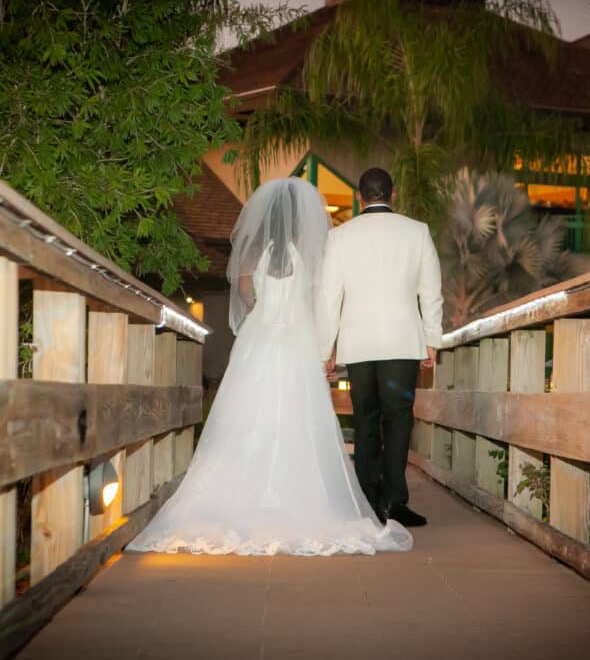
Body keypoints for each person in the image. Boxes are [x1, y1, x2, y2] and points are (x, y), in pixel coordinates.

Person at [127, 177, 412, 556]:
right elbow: (319, 299)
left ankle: (239, 493)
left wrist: (263, 310)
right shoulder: (308, 254)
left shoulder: (252, 252)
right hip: (297, 340)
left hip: (259, 339)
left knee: (247, 416)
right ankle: (301, 498)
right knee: (298, 418)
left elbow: (245, 296)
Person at [315, 167, 443, 527]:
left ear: (359, 197)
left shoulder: (340, 237)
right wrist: (433, 339)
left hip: (359, 343)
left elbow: (328, 298)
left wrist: (325, 349)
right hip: (403, 342)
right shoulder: (417, 232)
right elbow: (430, 291)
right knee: (398, 420)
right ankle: (395, 502)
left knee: (366, 420)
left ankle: (367, 500)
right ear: (393, 194)